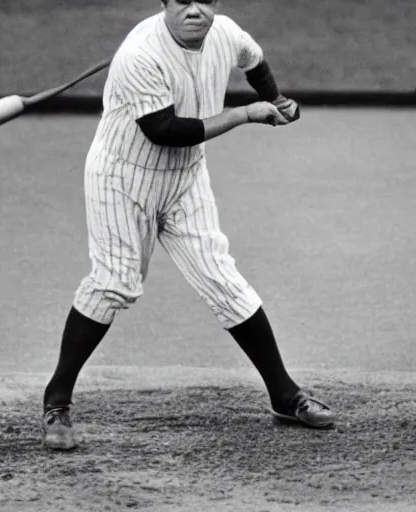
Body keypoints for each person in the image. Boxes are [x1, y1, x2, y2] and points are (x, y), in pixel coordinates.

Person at [41, 0, 335, 451]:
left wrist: (274, 97)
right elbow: (165, 130)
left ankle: (283, 394)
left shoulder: (227, 33)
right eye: (182, 0)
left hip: (186, 177)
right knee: (113, 282)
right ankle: (57, 400)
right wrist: (245, 113)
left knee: (222, 278)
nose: (194, 9)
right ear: (164, 3)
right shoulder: (139, 55)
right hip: (123, 177)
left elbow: (253, 61)